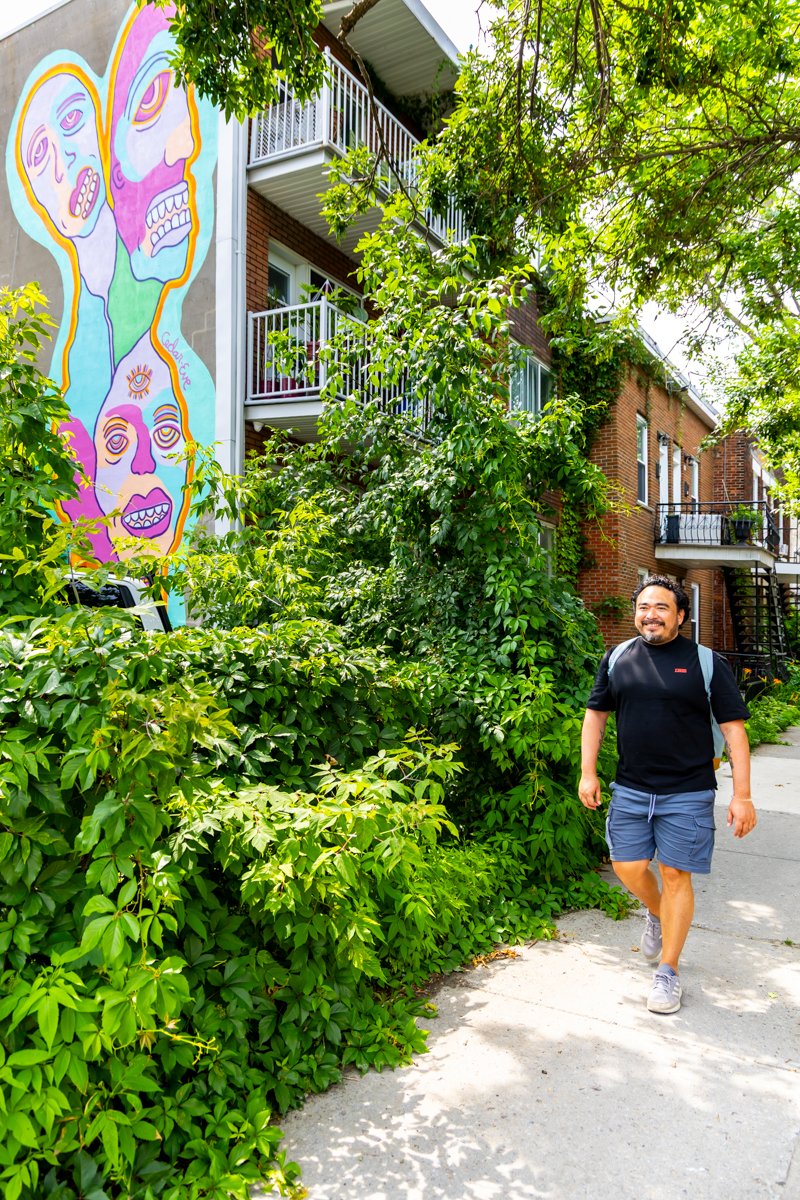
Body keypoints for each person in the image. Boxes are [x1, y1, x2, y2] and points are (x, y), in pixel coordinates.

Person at [579, 575, 756, 1014]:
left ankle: (669, 972)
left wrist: (743, 796)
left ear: (681, 615)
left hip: (689, 792)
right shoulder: (618, 657)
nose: (650, 614)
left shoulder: (705, 662)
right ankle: (657, 914)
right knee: (628, 866)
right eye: (643, 606)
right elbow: (595, 716)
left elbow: (735, 731)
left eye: (660, 607)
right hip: (632, 788)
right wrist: (588, 773)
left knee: (677, 876)